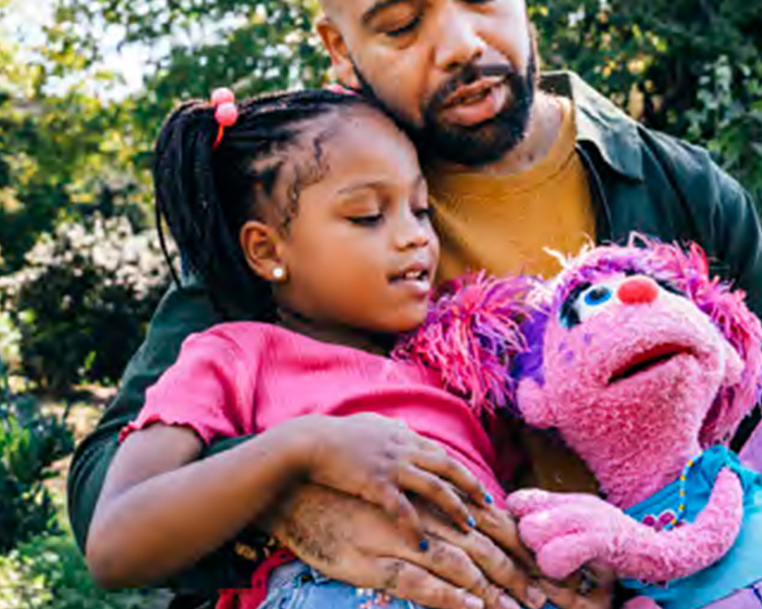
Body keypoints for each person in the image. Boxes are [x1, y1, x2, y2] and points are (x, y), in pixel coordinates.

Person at [68, 0, 762, 609]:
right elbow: (106, 486)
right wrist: (289, 497)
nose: (460, 42)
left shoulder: (681, 188)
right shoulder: (312, 199)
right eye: (400, 25)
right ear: (339, 45)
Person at [86, 85, 539, 609]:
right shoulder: (232, 357)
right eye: (368, 215)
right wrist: (301, 449)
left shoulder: (453, 363)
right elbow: (114, 544)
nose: (415, 236)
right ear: (268, 250)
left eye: (420, 209)